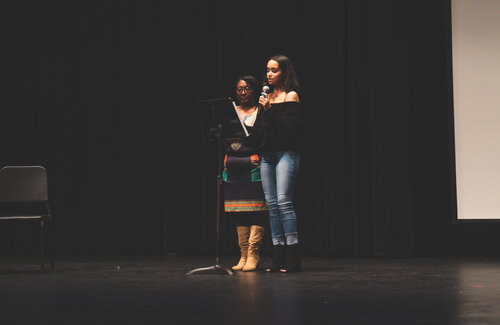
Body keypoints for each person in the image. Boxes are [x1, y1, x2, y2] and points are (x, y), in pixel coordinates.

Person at [256, 54, 302, 273]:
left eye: (274, 70)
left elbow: (289, 128)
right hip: (268, 154)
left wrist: (268, 111)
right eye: (267, 70)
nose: (269, 74)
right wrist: (264, 111)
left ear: (284, 72)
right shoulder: (266, 97)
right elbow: (262, 127)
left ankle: (293, 255)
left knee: (284, 202)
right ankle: (277, 254)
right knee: (272, 205)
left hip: (286, 153)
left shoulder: (290, 96)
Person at [223, 75, 267, 272]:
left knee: (255, 210)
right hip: (233, 164)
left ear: (254, 90)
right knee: (238, 211)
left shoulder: (260, 111)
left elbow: (262, 136)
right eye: (239, 89)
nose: (243, 93)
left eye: (247, 89)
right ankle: (242, 255)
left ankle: (253, 254)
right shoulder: (231, 112)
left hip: (252, 163)